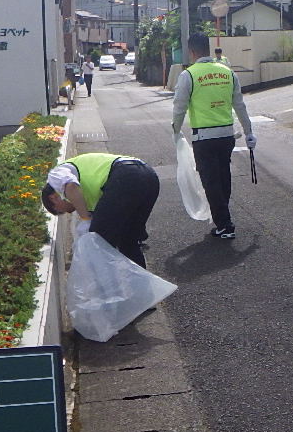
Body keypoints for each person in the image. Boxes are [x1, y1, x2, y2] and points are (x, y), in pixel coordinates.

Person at [172, 31, 256, 239]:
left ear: (192, 52)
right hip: (227, 135)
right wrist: (249, 132)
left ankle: (225, 225)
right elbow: (240, 105)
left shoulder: (189, 75)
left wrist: (176, 131)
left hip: (204, 138)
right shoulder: (228, 72)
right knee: (223, 177)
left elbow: (179, 107)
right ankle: (222, 218)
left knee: (211, 181)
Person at [41, 153, 159, 268]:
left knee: (99, 240)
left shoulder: (55, 175)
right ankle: (139, 284)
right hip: (149, 176)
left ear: (54, 199)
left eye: (62, 211)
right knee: (128, 239)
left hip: (125, 176)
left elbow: (71, 186)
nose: (69, 212)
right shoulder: (87, 194)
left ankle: (107, 284)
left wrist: (85, 219)